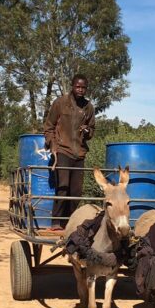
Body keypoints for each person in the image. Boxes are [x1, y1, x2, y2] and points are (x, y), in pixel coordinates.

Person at [43, 74, 95, 229]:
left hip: (79, 153)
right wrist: (52, 144)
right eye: (78, 87)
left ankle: (69, 223)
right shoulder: (60, 103)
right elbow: (48, 127)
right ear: (72, 87)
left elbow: (92, 130)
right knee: (63, 187)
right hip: (63, 150)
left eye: (83, 87)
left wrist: (87, 131)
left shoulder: (88, 107)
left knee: (76, 192)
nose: (81, 90)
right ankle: (56, 222)